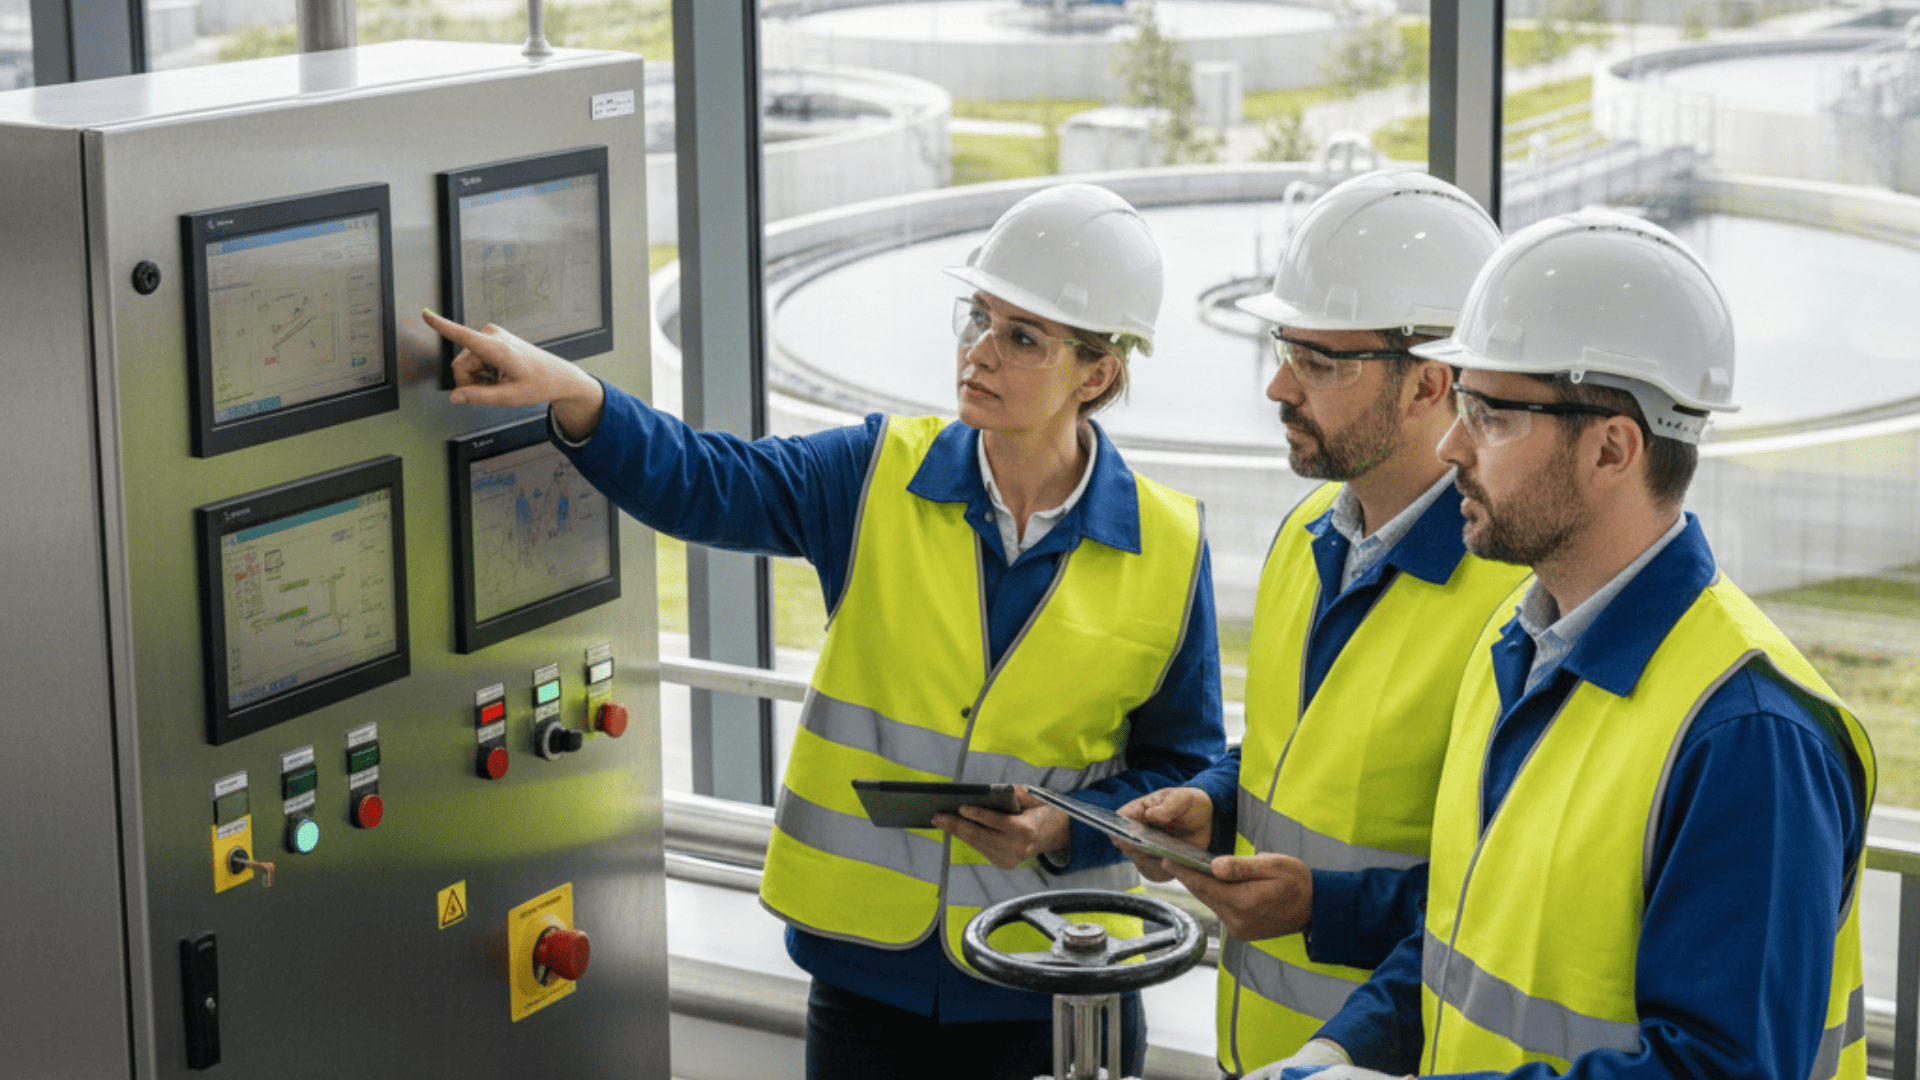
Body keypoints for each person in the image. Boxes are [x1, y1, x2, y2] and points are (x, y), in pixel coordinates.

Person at [423, 182, 1225, 1080]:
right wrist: (582, 399)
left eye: (1022, 336)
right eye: (977, 317)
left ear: (1097, 372)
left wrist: (1062, 829)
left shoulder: (1167, 546)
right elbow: (707, 480)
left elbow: (1184, 771)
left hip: (1060, 986)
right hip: (866, 985)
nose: (978, 351)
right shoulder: (876, 473)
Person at [1246, 209, 1875, 1080]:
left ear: (1613, 449)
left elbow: (1718, 1071)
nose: (1452, 443)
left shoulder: (1749, 736)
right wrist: (1336, 1051)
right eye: (1463, 402)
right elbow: (1460, 944)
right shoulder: (1514, 645)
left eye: (1493, 415)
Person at [1109, 169, 1528, 1075]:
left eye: (1318, 362)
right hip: (1258, 1051)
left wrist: (1323, 910)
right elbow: (1291, 755)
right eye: (1283, 347)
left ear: (1430, 384)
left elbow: (1518, 892)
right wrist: (1214, 804)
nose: (1277, 387)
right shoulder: (1307, 534)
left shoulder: (1514, 606)